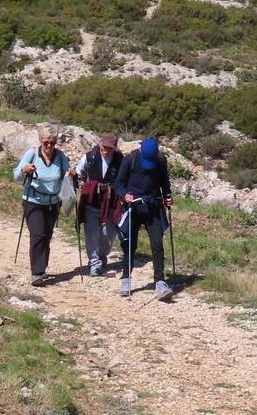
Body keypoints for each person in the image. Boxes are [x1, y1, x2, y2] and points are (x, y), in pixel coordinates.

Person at [14, 126, 74, 286]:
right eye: (46, 142)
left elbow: (67, 177)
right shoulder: (32, 154)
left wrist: (71, 176)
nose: (49, 146)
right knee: (38, 235)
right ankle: (37, 273)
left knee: (47, 236)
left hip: (53, 203)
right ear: (40, 141)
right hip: (33, 201)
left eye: (52, 143)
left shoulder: (61, 157)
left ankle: (42, 266)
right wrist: (24, 169)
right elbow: (16, 176)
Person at [115, 136, 174, 300]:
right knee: (129, 244)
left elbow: (165, 183)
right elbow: (118, 184)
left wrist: (168, 197)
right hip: (133, 207)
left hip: (153, 206)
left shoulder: (161, 161)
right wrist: (124, 195)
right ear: (140, 150)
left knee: (157, 245)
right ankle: (126, 279)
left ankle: (160, 282)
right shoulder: (130, 160)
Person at [75, 133, 124, 277]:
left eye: (110, 148)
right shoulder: (89, 157)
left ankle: (102, 257)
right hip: (92, 200)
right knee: (91, 233)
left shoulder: (120, 159)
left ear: (114, 148)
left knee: (108, 233)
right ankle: (94, 263)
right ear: (100, 144)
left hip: (111, 202)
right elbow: (79, 173)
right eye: (104, 146)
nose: (106, 150)